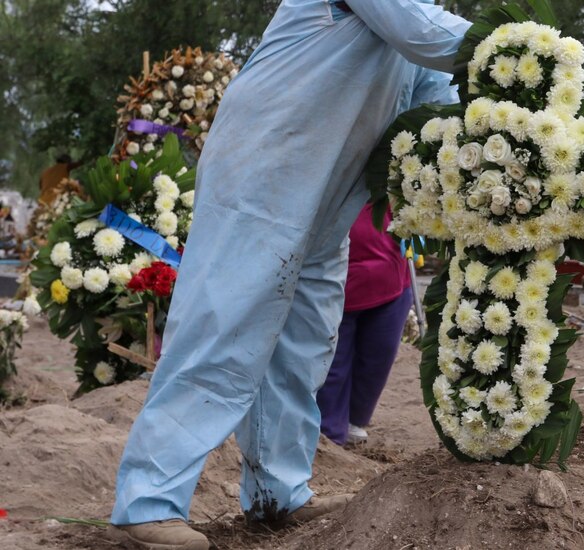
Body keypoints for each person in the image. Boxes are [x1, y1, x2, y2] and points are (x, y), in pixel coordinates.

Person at [109, 2, 471, 549]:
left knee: (300, 349)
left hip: (324, 199)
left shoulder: (419, 22)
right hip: (264, 174)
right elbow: (429, 36)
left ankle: (278, 494)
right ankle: (148, 502)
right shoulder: (410, 15)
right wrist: (531, 54)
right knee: (220, 329)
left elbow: (432, 106)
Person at [316, 204, 413, 446]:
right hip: (338, 282)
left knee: (377, 357)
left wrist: (416, 234)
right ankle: (329, 433)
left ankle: (353, 421)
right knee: (334, 365)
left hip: (390, 275)